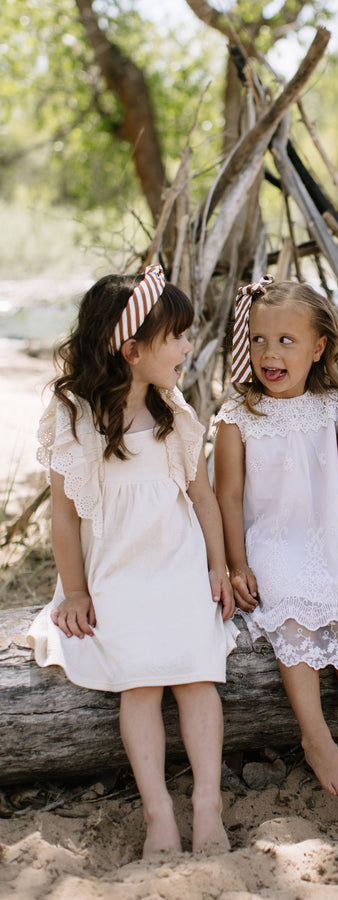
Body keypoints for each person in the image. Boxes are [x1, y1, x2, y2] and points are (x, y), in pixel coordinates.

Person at [28, 265, 239, 859]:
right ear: (132, 348)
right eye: (176, 336)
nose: (188, 346)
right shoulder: (74, 417)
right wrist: (73, 592)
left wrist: (217, 568)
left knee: (198, 676)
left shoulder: (174, 412)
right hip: (116, 572)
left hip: (177, 565)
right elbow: (66, 518)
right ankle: (157, 814)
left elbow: (201, 498)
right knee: (140, 685)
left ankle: (207, 804)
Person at [214, 277, 338, 798]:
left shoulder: (334, 407)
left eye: (285, 341)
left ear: (318, 348)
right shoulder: (237, 417)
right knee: (292, 608)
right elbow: (227, 497)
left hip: (329, 532)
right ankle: (316, 737)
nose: (269, 353)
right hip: (271, 540)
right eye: (257, 340)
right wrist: (236, 565)